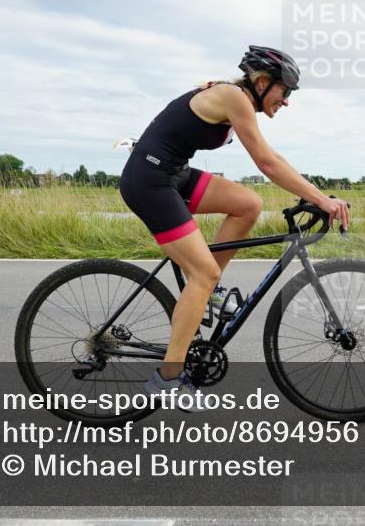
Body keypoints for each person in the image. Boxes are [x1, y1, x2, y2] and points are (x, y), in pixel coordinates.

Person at [119, 45, 351, 410]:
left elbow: (272, 155)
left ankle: (207, 288)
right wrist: (322, 202)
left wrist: (318, 195)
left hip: (171, 173)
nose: (287, 101)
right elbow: (266, 164)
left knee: (248, 204)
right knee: (203, 273)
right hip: (149, 180)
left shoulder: (236, 97)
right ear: (261, 82)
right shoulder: (233, 97)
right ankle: (167, 378)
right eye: (285, 91)